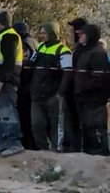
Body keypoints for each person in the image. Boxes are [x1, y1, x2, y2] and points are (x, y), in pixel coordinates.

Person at [0, 11, 24, 157]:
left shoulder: (10, 37)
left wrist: (2, 79)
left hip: (4, 84)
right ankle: (3, 142)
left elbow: (9, 61)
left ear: (1, 23)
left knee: (7, 112)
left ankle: (14, 142)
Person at [29, 22, 71, 151]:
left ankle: (56, 151)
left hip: (53, 95)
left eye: (44, 33)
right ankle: (43, 149)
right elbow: (31, 63)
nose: (42, 36)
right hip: (37, 94)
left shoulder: (63, 51)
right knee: (36, 123)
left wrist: (60, 93)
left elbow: (67, 74)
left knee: (55, 126)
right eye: (40, 33)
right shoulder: (40, 47)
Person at [72, 24, 110, 155]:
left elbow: (99, 78)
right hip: (84, 98)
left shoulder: (98, 53)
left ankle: (101, 154)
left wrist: (83, 87)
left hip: (95, 99)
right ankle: (90, 153)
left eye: (82, 34)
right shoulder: (85, 51)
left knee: (96, 128)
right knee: (87, 128)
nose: (79, 36)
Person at [62, 18, 89, 152]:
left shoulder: (86, 48)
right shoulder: (77, 47)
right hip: (72, 90)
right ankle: (73, 146)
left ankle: (79, 148)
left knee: (79, 122)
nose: (73, 32)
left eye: (76, 29)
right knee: (71, 121)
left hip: (81, 91)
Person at [14, 21, 38, 151]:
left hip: (24, 85)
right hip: (32, 84)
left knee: (24, 119)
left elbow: (23, 63)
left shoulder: (23, 44)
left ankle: (28, 147)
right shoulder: (34, 42)